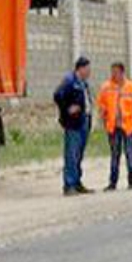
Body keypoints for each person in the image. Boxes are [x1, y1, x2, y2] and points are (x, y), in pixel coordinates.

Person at [97, 61, 132, 191]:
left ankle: (131, 181)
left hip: (128, 126)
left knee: (129, 153)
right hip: (113, 127)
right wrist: (103, 116)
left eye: (116, 72)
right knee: (114, 155)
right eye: (112, 72)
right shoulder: (106, 87)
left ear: (122, 72)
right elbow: (101, 104)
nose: (114, 74)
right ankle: (112, 183)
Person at [53, 56, 94, 195]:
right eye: (87, 69)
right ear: (80, 68)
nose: (89, 72)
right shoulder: (70, 81)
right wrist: (67, 109)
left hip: (84, 121)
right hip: (74, 123)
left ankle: (77, 182)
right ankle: (69, 185)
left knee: (79, 154)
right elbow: (58, 95)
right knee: (72, 154)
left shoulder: (83, 83)